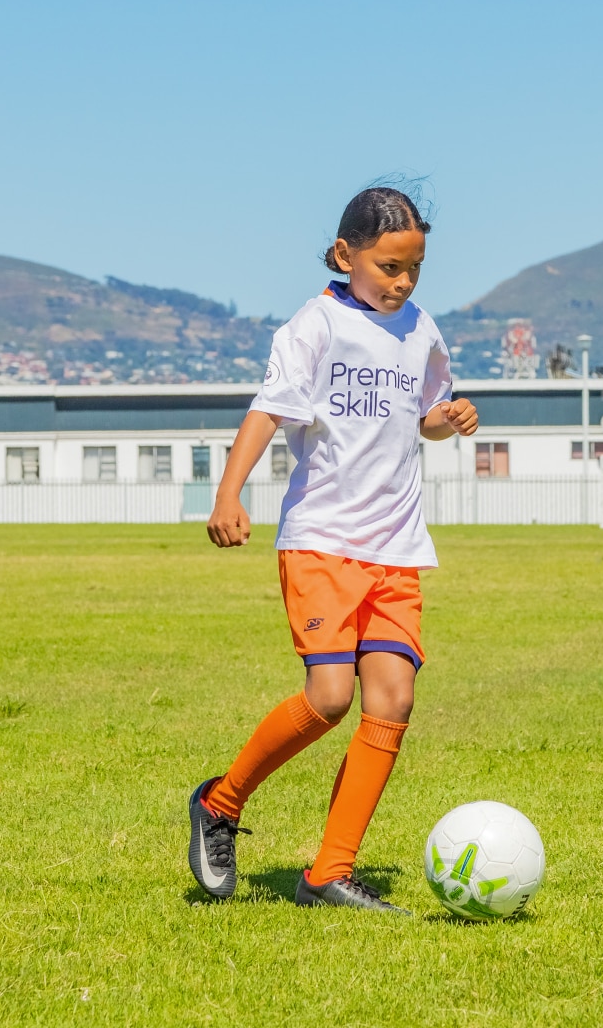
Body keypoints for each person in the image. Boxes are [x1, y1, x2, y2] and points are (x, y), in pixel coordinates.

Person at [187, 187, 478, 914]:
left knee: (394, 699)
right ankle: (220, 804)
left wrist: (449, 418)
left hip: (397, 546)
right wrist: (229, 493)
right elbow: (268, 411)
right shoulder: (314, 327)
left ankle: (328, 874)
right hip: (323, 543)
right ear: (345, 254)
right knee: (330, 697)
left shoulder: (420, 331)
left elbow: (425, 419)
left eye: (414, 269)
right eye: (387, 267)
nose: (402, 282)